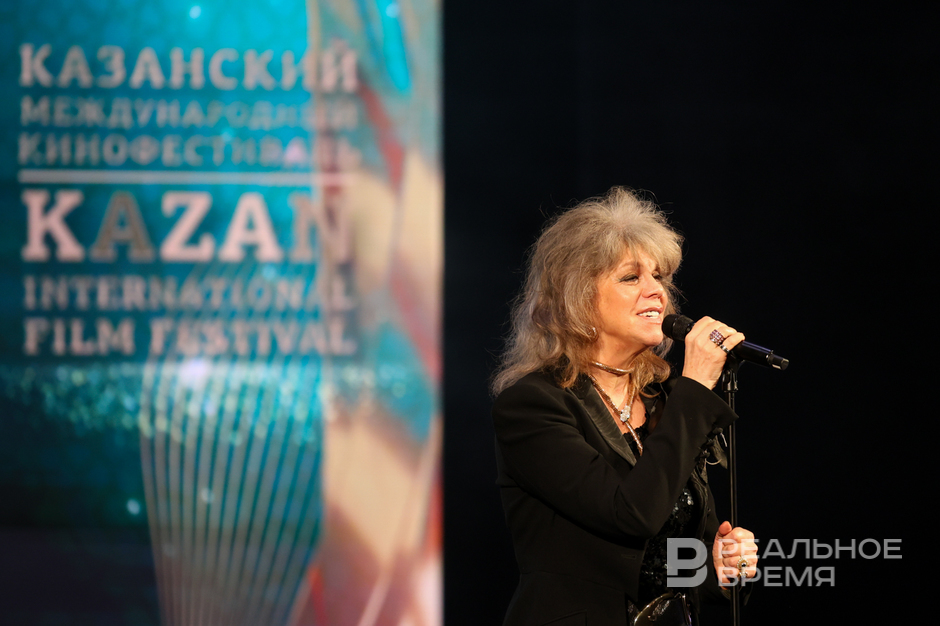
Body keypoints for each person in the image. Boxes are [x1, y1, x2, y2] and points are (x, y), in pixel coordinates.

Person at [491, 187, 759, 625]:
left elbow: (670, 561)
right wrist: (695, 385)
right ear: (579, 299)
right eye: (631, 278)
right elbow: (629, 515)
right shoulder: (532, 405)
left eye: (660, 277)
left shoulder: (664, 401)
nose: (657, 292)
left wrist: (721, 570)